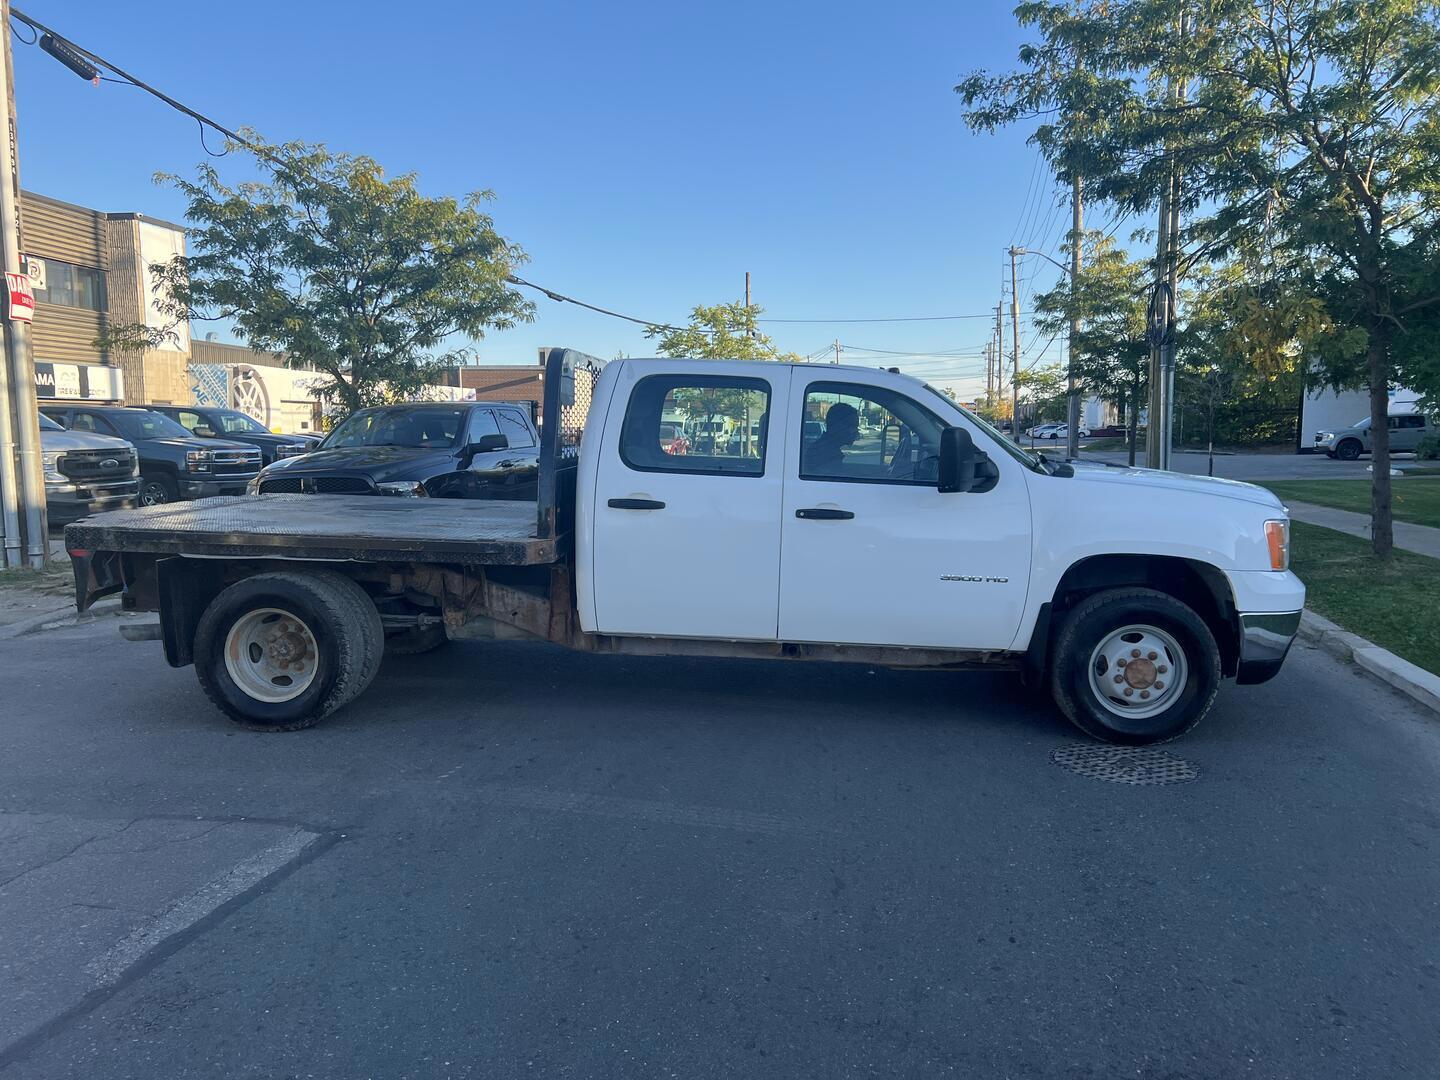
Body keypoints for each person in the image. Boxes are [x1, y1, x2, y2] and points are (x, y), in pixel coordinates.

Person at [806, 402, 860, 474]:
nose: (856, 431)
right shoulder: (825, 454)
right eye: (852, 426)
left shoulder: (826, 449)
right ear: (837, 426)